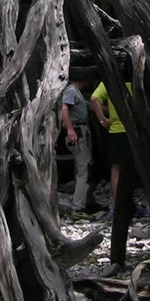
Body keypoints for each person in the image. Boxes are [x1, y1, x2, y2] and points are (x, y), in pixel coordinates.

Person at [90, 77, 148, 272]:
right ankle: (144, 205)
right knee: (143, 168)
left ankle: (117, 206)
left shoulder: (108, 82)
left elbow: (94, 100)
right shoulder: (138, 80)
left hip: (116, 130)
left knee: (116, 170)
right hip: (137, 130)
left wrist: (102, 120)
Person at [60, 77, 92, 213]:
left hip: (80, 132)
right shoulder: (71, 90)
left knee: (81, 169)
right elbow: (64, 108)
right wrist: (70, 129)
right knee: (83, 170)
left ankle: (84, 201)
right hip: (78, 132)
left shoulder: (77, 93)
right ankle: (78, 207)